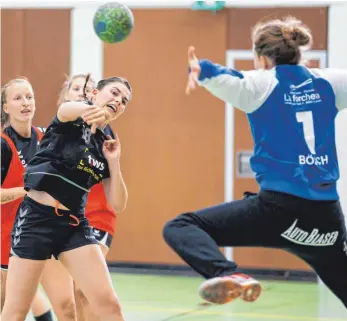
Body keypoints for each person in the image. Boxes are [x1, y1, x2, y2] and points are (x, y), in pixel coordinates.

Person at [163, 16, 347, 307]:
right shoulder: (331, 82)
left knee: (181, 226)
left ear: (261, 58)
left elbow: (223, 76)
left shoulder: (257, 85)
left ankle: (231, 275)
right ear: (299, 52)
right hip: (327, 220)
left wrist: (198, 69)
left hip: (279, 212)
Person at [1, 74, 131, 321]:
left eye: (124, 100)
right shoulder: (71, 118)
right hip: (35, 220)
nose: (118, 100)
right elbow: (65, 108)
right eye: (114, 92)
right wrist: (90, 109)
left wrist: (114, 163)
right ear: (94, 94)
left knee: (109, 305)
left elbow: (118, 203)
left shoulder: (106, 143)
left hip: (73, 224)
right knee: (15, 311)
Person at [39, 74, 120, 321]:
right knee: (65, 305)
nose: (81, 93)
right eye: (75, 88)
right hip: (54, 219)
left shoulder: (103, 132)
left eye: (87, 90)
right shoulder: (51, 134)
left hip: (95, 217)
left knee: (84, 291)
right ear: (65, 96)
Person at [0, 78, 53, 320]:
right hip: (5, 237)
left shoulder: (46, 138)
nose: (25, 103)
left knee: (48, 299)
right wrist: (27, 191)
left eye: (29, 97)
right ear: (6, 107)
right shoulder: (3, 144)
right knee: (8, 306)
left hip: (38, 234)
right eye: (18, 98)